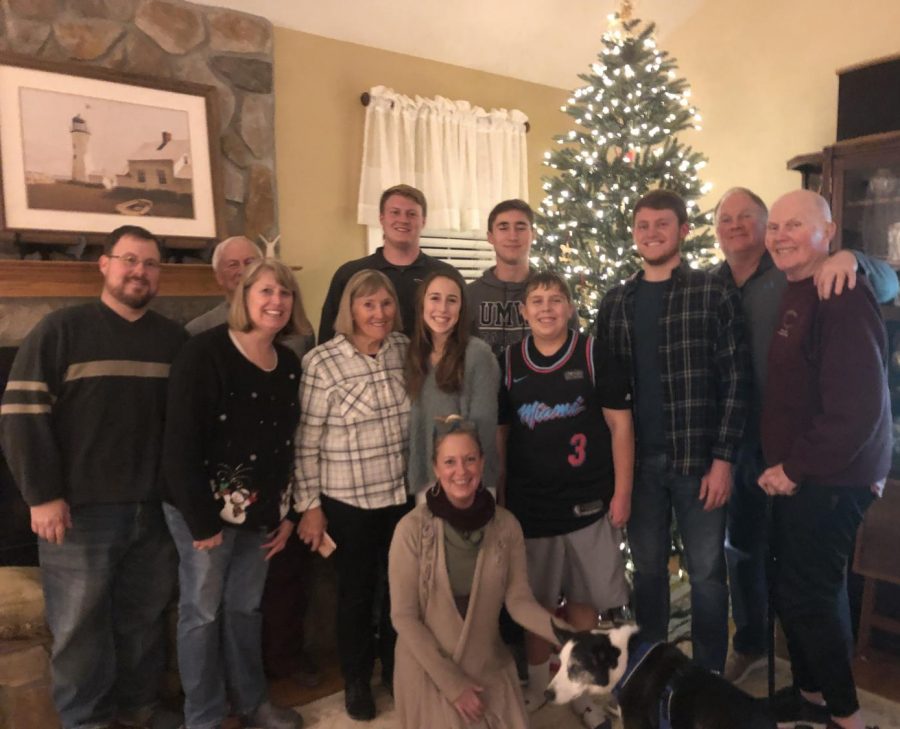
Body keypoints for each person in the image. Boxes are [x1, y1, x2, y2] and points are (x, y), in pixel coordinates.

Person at [0, 225, 187, 729]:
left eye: (150, 264)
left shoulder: (174, 341)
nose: (139, 272)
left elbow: (188, 426)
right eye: (129, 260)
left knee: (144, 622)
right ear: (104, 265)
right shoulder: (61, 330)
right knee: (79, 631)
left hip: (154, 513)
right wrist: (42, 497)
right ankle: (86, 721)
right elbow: (20, 415)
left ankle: (138, 709)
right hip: (79, 515)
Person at [711, 187, 900, 683]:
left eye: (750, 218)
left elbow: (884, 282)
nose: (736, 227)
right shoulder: (712, 284)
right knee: (751, 553)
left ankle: (828, 694)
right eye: (724, 218)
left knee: (811, 582)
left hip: (806, 453)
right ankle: (758, 647)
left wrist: (851, 257)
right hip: (741, 439)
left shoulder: (818, 277)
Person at [595, 190, 750, 674]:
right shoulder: (616, 302)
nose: (651, 233)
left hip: (699, 463)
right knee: (647, 574)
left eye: (663, 224)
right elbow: (606, 395)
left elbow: (737, 381)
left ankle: (706, 676)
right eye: (643, 225)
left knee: (706, 574)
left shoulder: (711, 292)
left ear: (682, 230)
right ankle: (653, 670)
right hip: (637, 466)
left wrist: (724, 460)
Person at [759, 190, 891, 729]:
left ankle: (847, 716)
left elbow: (856, 412)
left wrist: (794, 469)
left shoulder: (842, 293)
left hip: (830, 478)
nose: (780, 236)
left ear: (828, 233)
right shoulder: (800, 289)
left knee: (812, 598)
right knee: (793, 591)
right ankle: (810, 696)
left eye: (794, 225)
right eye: (775, 227)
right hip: (803, 476)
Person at [162, 259, 307, 729]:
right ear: (244, 296)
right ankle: (202, 717)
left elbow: (287, 444)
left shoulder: (288, 364)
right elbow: (179, 443)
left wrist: (287, 513)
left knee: (245, 609)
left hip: (261, 513)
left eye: (284, 293)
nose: (276, 302)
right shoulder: (203, 353)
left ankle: (252, 703)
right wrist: (202, 523)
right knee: (201, 614)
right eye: (266, 291)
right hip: (201, 513)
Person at [499, 271, 633, 729]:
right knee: (536, 606)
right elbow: (500, 438)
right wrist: (499, 499)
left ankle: (582, 688)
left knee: (583, 603)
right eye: (537, 300)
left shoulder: (594, 354)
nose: (547, 308)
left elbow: (621, 428)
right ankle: (539, 687)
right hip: (531, 508)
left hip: (587, 505)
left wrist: (622, 492)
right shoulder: (510, 361)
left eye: (556, 299)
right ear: (524, 311)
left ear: (571, 307)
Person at [389, 416, 564, 729]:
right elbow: (403, 617)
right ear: (436, 468)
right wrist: (454, 686)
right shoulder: (411, 531)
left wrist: (566, 634)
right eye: (450, 462)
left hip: (485, 660)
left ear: (483, 464)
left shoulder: (506, 526)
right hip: (428, 666)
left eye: (470, 460)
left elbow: (519, 600)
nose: (461, 471)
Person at [295, 269, 412, 720]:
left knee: (400, 593)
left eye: (385, 304)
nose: (378, 313)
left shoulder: (404, 350)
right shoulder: (322, 363)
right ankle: (357, 680)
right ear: (351, 309)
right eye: (368, 305)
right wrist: (309, 506)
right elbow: (305, 440)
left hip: (401, 498)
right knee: (356, 596)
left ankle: (396, 670)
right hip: (350, 503)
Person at [318, 184, 456, 343]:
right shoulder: (350, 273)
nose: (403, 220)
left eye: (411, 214)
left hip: (431, 366)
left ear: (423, 221)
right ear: (381, 218)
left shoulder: (445, 275)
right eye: (395, 212)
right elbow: (328, 336)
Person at [406, 268, 500, 498]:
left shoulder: (477, 355)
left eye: (452, 300)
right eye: (435, 298)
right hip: (426, 481)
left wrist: (468, 485)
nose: (442, 309)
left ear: (462, 308)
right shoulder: (413, 355)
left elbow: (483, 429)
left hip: (467, 482)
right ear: (422, 305)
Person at [468, 199, 577, 356]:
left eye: (520, 227)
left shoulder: (554, 296)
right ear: (490, 237)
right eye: (503, 228)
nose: (513, 236)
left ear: (533, 235)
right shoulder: (470, 295)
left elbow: (572, 350)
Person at [185, 236, 263, 335]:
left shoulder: (282, 318)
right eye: (233, 265)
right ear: (219, 276)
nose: (243, 271)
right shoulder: (201, 329)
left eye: (249, 263)